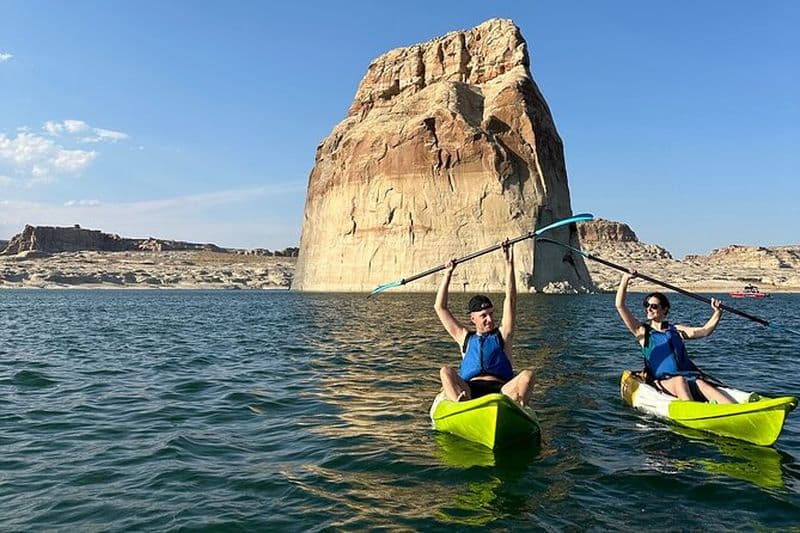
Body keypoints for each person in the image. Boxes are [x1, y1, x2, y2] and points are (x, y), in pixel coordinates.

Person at [434, 240, 533, 406]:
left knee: (528, 375)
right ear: (473, 318)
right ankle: (460, 406)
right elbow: (440, 307)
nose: (490, 319)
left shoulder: (503, 335)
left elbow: (511, 300)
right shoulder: (464, 337)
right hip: (471, 388)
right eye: (484, 316)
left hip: (501, 390)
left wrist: (509, 263)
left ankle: (517, 407)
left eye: (491, 314)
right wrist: (448, 274)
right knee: (445, 371)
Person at [616, 271, 734, 404]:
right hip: (663, 382)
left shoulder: (676, 330)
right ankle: (693, 411)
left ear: (664, 309)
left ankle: (735, 409)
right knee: (679, 381)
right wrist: (625, 279)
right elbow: (620, 306)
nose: (649, 309)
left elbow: (704, 331)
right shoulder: (642, 332)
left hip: (688, 378)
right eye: (646, 305)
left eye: (654, 306)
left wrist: (717, 313)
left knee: (701, 383)